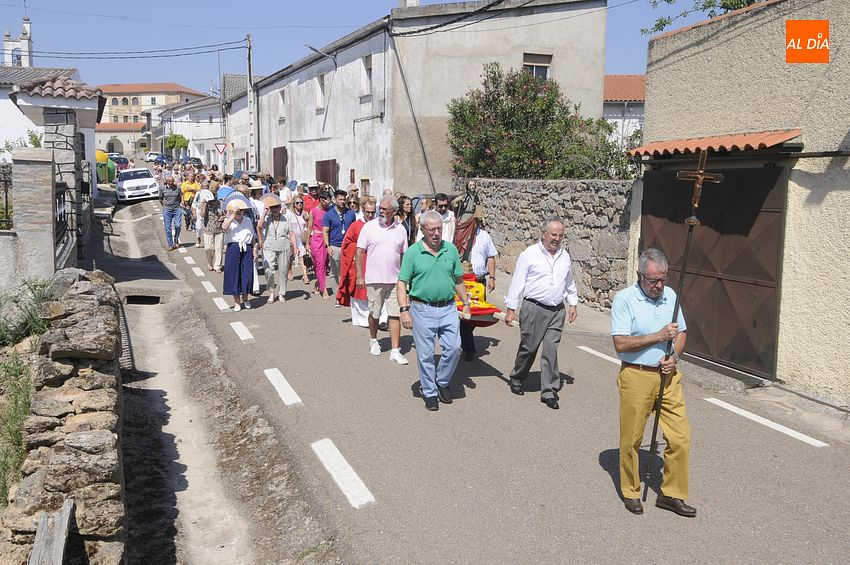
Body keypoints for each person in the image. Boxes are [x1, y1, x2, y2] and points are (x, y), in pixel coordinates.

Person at [610, 248, 694, 518]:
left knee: (680, 438)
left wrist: (675, 356)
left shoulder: (670, 296)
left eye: (663, 279)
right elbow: (620, 343)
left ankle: (671, 494)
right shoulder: (625, 300)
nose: (659, 286)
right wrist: (658, 336)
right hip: (636, 375)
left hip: (668, 377)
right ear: (639, 276)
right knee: (632, 440)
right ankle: (631, 491)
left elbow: (681, 333)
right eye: (652, 280)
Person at [397, 211, 470, 411]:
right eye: (432, 230)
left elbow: (458, 280)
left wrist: (466, 302)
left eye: (439, 229)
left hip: (448, 308)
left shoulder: (451, 250)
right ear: (423, 231)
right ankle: (429, 391)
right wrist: (404, 310)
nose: (437, 233)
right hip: (422, 309)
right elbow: (402, 283)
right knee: (426, 354)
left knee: (454, 348)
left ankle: (442, 381)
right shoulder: (413, 252)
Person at [504, 217, 579, 410]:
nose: (557, 239)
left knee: (550, 350)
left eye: (561, 235)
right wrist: (511, 308)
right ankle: (518, 376)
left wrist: (573, 303)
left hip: (556, 310)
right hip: (533, 308)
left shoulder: (564, 255)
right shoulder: (529, 254)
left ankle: (549, 391)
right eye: (553, 235)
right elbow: (518, 281)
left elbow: (569, 281)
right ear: (543, 234)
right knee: (529, 347)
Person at [356, 195, 409, 365]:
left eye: (385, 209)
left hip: (395, 280)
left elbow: (404, 255)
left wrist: (406, 278)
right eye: (380, 208)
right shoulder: (369, 227)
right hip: (374, 279)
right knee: (375, 313)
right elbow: (359, 252)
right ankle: (373, 339)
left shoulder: (400, 229)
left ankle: (395, 350)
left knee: (395, 314)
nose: (381, 211)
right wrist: (359, 276)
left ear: (394, 211)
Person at [460, 218, 498, 361]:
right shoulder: (459, 234)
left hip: (479, 281)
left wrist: (492, 277)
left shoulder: (484, 236)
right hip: (462, 282)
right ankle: (468, 349)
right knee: (465, 318)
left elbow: (491, 257)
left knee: (475, 316)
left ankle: (463, 340)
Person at [336, 199, 374, 324]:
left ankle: (377, 319)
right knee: (358, 289)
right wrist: (357, 249)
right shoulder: (355, 226)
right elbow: (346, 243)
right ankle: (361, 319)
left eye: (372, 212)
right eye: (368, 212)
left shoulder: (378, 225)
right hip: (359, 262)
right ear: (363, 211)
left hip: (374, 263)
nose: (370, 215)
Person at [257, 193, 297, 304]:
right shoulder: (267, 218)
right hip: (269, 246)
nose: (275, 209)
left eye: (277, 207)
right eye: (272, 207)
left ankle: (282, 293)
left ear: (280, 207)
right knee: (268, 270)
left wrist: (295, 247)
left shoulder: (285, 218)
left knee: (283, 271)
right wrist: (264, 212)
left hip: (283, 246)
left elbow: (291, 233)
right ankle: (271, 292)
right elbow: (259, 226)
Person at [323, 189, 357, 303]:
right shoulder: (329, 214)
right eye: (340, 199)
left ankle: (346, 294)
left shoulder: (351, 214)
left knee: (347, 271)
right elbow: (325, 231)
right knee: (335, 272)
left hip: (348, 247)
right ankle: (338, 295)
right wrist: (327, 246)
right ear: (335, 199)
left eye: (344, 199)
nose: (342, 201)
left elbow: (354, 230)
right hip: (334, 246)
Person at [222, 200, 255, 312]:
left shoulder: (248, 220)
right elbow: (224, 227)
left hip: (246, 247)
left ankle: (245, 298)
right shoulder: (229, 220)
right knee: (234, 274)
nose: (239, 212)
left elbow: (252, 235)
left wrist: (254, 249)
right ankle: (237, 302)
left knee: (247, 274)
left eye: (241, 210)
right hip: (233, 247)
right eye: (237, 210)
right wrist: (232, 216)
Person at [306, 191, 331, 299]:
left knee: (324, 264)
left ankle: (318, 282)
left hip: (327, 240)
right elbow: (309, 227)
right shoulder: (313, 211)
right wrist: (307, 243)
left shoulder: (329, 211)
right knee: (318, 263)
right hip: (316, 239)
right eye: (327, 200)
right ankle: (323, 289)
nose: (329, 203)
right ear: (321, 200)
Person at [200, 183, 224, 272]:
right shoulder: (204, 202)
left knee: (219, 248)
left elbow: (224, 213)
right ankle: (210, 262)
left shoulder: (220, 202)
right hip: (208, 228)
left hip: (219, 228)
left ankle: (218, 265)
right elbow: (202, 215)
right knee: (208, 248)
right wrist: (205, 205)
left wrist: (223, 217)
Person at [286, 195, 309, 284]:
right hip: (291, 237)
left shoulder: (305, 213)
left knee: (303, 256)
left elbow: (307, 227)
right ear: (294, 204)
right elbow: (288, 227)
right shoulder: (289, 215)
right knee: (290, 257)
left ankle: (305, 275)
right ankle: (289, 271)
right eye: (297, 203)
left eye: (301, 203)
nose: (299, 204)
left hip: (302, 238)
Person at [160, 176, 182, 250]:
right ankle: (170, 244)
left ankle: (176, 240)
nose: (171, 183)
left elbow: (180, 197)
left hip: (177, 209)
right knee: (168, 228)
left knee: (178, 225)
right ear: (167, 182)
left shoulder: (178, 188)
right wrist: (165, 206)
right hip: (167, 210)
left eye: (172, 181)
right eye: (169, 181)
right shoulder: (162, 188)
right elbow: (160, 198)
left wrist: (178, 205)